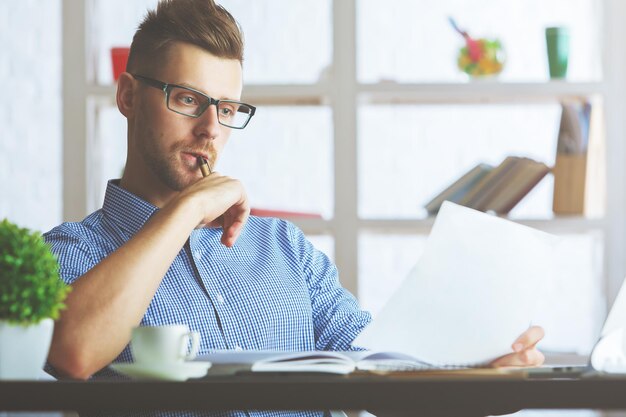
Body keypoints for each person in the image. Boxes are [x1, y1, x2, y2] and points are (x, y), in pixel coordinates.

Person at [44, 0, 544, 415]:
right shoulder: (71, 252)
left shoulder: (286, 249)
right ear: (129, 96)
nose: (211, 129)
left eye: (226, 108)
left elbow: (377, 375)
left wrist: (477, 381)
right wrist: (183, 212)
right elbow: (72, 354)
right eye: (188, 100)